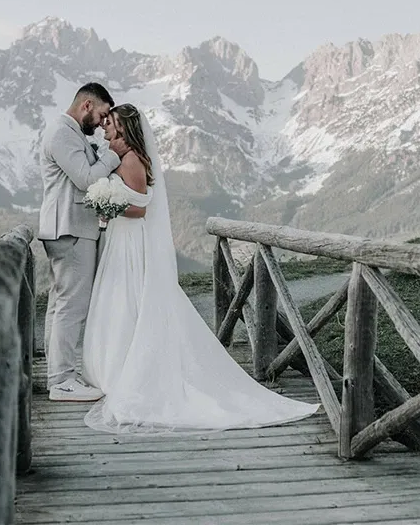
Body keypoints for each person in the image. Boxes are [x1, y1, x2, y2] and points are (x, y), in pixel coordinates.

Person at [81, 103, 320, 433]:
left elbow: (140, 209)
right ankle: (116, 366)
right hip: (120, 241)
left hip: (130, 240)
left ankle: (129, 368)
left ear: (124, 128)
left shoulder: (133, 159)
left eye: (111, 123)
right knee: (119, 300)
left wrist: (110, 205)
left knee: (130, 299)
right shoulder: (122, 157)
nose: (106, 127)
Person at [37, 83, 130, 401]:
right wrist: (113, 156)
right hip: (70, 228)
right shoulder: (63, 132)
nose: (103, 122)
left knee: (59, 305)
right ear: (87, 105)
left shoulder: (68, 131)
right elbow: (86, 179)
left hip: (67, 227)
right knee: (71, 306)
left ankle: (57, 373)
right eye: (103, 114)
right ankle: (62, 380)